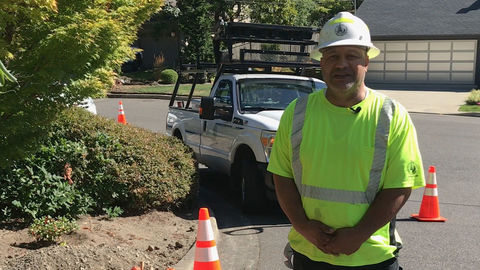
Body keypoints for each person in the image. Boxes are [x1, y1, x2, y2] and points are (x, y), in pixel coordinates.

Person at [267, 12, 425, 270]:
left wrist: (359, 234)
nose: (341, 65)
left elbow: (400, 186)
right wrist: (303, 226)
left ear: (366, 61)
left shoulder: (392, 115)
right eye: (332, 57)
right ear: (322, 63)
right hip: (310, 253)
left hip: (372, 256)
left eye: (351, 55)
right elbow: (281, 176)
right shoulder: (296, 113)